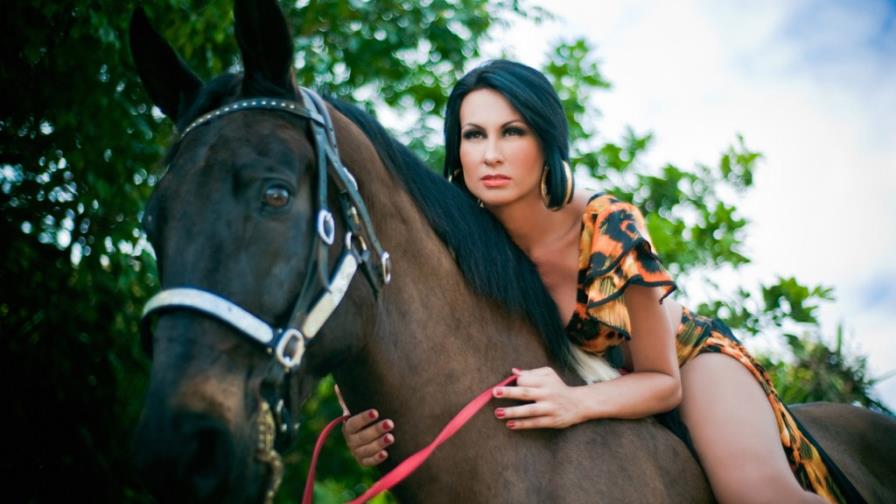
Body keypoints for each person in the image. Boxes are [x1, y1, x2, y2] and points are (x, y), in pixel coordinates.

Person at [337, 60, 854, 503]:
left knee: (756, 495)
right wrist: (357, 419)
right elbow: (403, 324)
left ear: (546, 142)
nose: (491, 153)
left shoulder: (608, 225)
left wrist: (573, 402)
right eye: (474, 135)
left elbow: (663, 382)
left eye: (512, 132)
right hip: (583, 375)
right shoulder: (460, 244)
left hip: (683, 363)